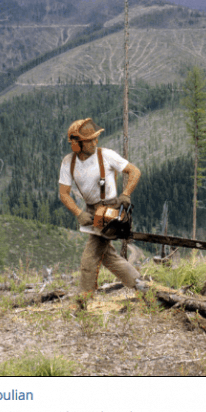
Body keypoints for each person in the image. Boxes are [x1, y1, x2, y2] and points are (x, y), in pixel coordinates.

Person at [58, 118, 142, 295]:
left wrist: (125, 193)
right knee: (107, 257)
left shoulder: (106, 155)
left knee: (89, 260)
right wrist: (78, 212)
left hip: (109, 211)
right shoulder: (68, 162)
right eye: (90, 140)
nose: (95, 142)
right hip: (90, 211)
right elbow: (63, 193)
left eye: (95, 138)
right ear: (76, 144)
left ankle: (84, 299)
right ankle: (139, 284)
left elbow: (134, 171)